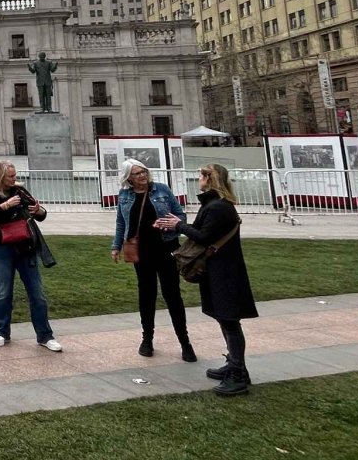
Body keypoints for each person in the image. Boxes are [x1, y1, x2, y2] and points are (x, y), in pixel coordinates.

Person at [156, 164, 257, 397]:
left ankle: (238, 373)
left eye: (201, 175)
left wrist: (178, 225)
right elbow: (204, 231)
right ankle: (234, 364)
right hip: (217, 270)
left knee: (230, 321)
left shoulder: (219, 207)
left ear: (209, 179)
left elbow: (204, 236)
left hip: (225, 271)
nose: (198, 179)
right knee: (224, 318)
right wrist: (177, 224)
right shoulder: (214, 205)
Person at [110, 159, 195, 361]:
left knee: (172, 294)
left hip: (166, 248)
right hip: (141, 251)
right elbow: (121, 222)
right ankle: (147, 339)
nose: (142, 175)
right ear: (128, 177)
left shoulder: (162, 190)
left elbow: (180, 215)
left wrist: (169, 223)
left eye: (144, 171)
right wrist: (115, 245)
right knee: (146, 294)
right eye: (137, 173)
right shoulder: (125, 195)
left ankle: (185, 342)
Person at [0, 160, 62, 352]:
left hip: (25, 247)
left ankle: (45, 335)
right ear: (0, 176)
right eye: (10, 176)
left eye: (15, 175)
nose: (14, 179)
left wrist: (39, 210)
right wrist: (6, 205)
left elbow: (40, 213)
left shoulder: (20, 190)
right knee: (4, 291)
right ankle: (2, 332)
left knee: (37, 293)